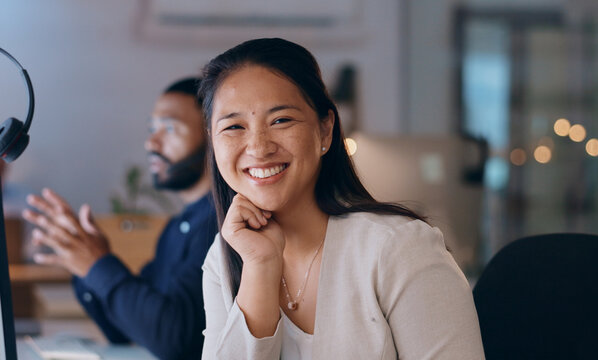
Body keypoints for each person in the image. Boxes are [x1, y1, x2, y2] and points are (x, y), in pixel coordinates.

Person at [199, 38, 485, 359]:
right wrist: (261, 266)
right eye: (234, 126)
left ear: (325, 131)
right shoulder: (224, 258)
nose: (259, 147)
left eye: (281, 120)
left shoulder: (398, 247)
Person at [21, 78, 217, 360]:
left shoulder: (221, 225)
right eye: (152, 128)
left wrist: (97, 265)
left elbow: (172, 340)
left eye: (170, 128)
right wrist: (86, 265)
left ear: (214, 136)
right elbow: (127, 330)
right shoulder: (175, 229)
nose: (151, 141)